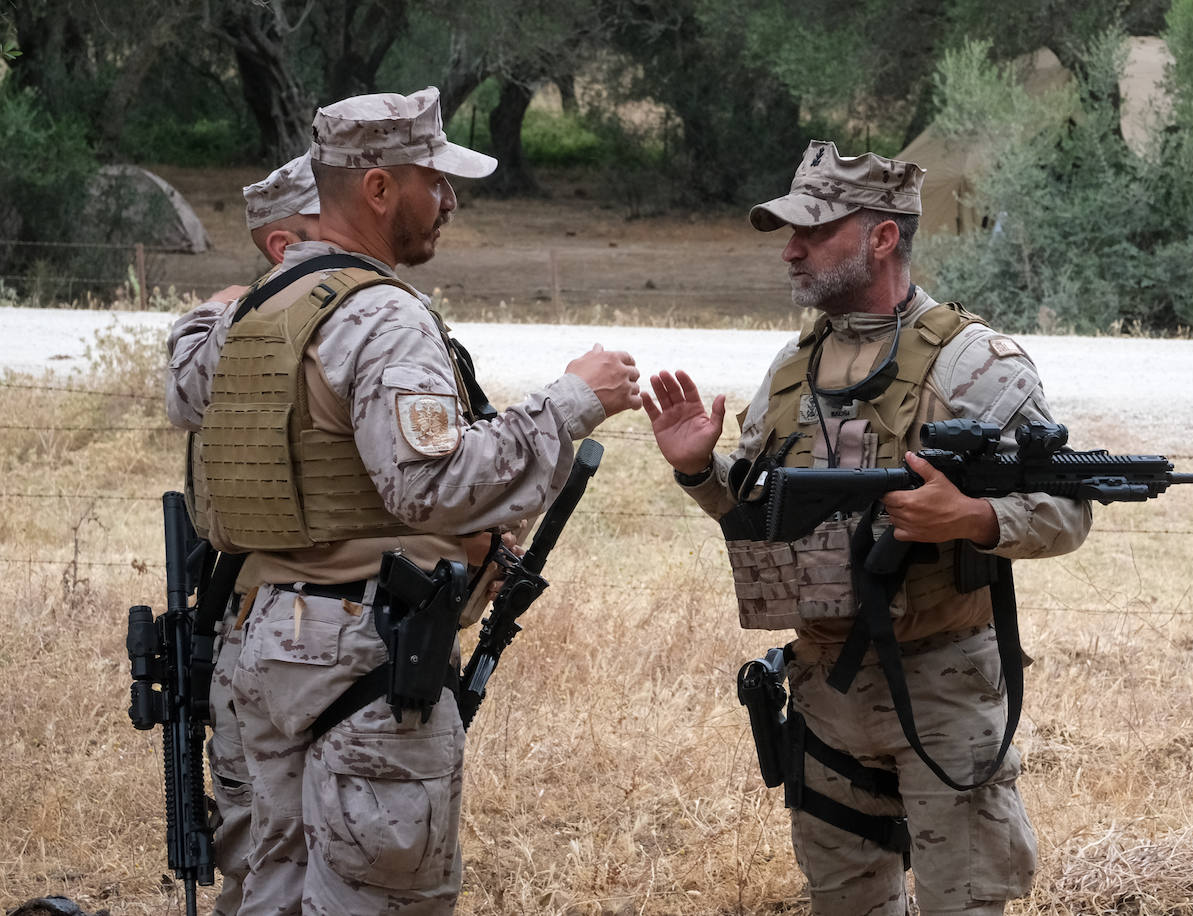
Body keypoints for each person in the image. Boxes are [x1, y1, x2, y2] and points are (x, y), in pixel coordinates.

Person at [165, 86, 641, 916]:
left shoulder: (259, 311)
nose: (449, 200)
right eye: (435, 180)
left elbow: (184, 387)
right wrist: (572, 400)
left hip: (263, 646)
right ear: (380, 189)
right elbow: (429, 486)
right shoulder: (382, 317)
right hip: (361, 648)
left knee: (270, 894)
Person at [643, 140, 1092, 916]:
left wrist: (973, 516)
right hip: (825, 690)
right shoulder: (792, 367)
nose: (790, 250)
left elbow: (1067, 510)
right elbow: (763, 521)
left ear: (881, 236)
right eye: (791, 233)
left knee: (965, 904)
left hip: (943, 688)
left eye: (813, 231)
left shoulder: (973, 364)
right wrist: (698, 473)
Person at [163, 151, 323, 916]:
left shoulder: (232, 327)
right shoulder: (278, 326)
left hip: (259, 630)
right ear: (285, 248)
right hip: (269, 624)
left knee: (267, 850)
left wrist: (211, 310)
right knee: (266, 848)